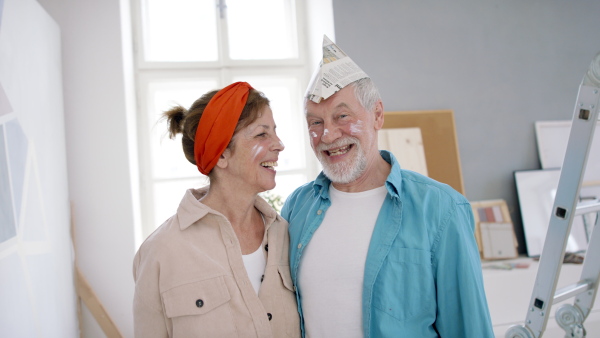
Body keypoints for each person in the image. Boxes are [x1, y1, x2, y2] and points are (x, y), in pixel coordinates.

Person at [281, 36, 494, 337]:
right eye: (315, 122)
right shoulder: (297, 206)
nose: (328, 135)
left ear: (377, 115)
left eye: (342, 116)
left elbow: (468, 329)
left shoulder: (441, 209)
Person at [133, 82, 301, 338]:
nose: (279, 144)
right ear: (221, 154)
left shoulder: (286, 235)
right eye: (261, 134)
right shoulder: (160, 252)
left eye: (275, 132)